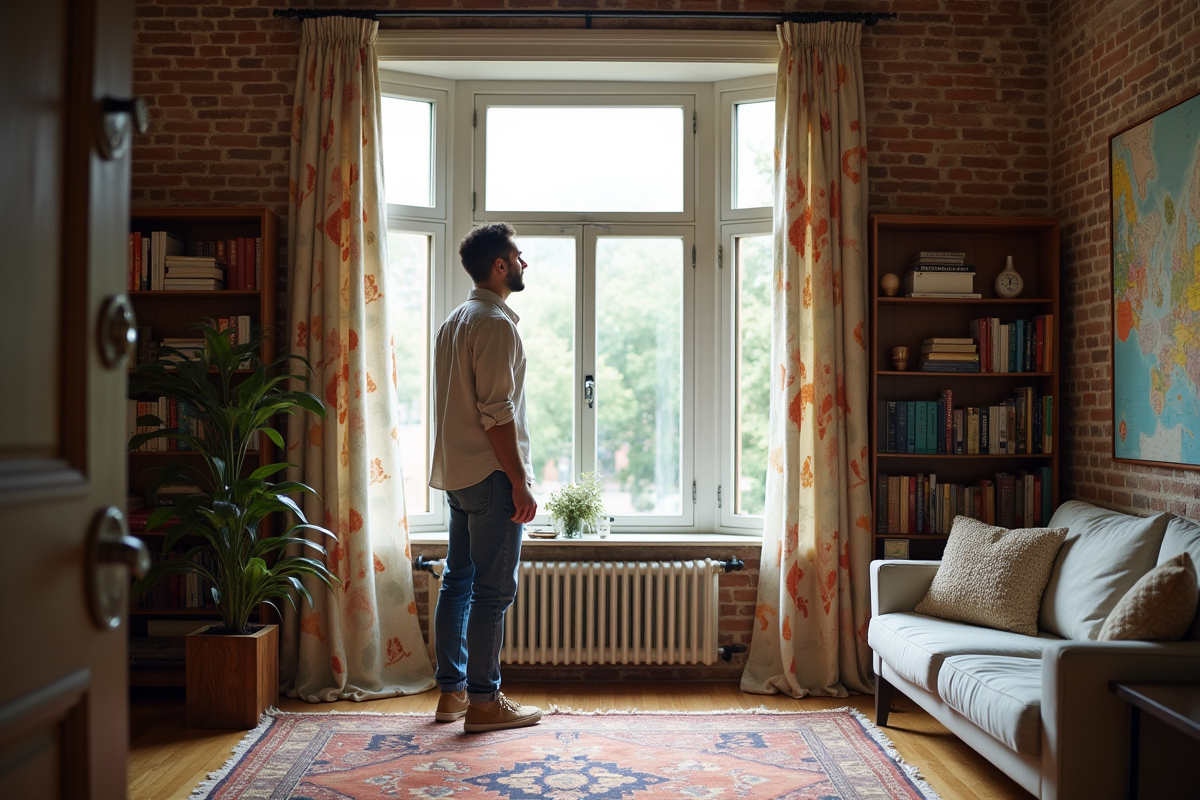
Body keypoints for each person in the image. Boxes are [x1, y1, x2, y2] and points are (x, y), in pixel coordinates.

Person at [428, 223, 542, 733]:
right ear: (500, 266)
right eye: (518, 257)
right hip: (492, 477)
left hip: (458, 474)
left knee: (458, 583)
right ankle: (484, 703)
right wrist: (519, 481)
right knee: (492, 592)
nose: (523, 264)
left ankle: (451, 696)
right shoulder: (494, 324)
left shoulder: (455, 320)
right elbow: (498, 413)